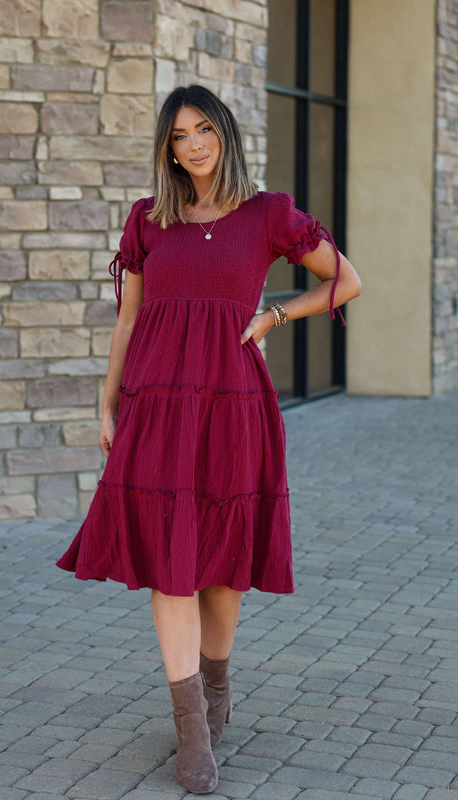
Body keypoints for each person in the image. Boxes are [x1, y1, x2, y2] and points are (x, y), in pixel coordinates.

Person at [57, 84, 361, 794]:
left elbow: (346, 281)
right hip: (155, 406)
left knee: (222, 566)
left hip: (233, 406)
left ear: (223, 132)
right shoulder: (149, 221)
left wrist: (274, 318)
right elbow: (128, 323)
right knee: (170, 560)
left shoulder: (267, 215)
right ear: (165, 150)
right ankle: (190, 725)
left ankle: (216, 690)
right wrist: (108, 407)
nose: (191, 145)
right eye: (177, 137)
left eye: (202, 130)